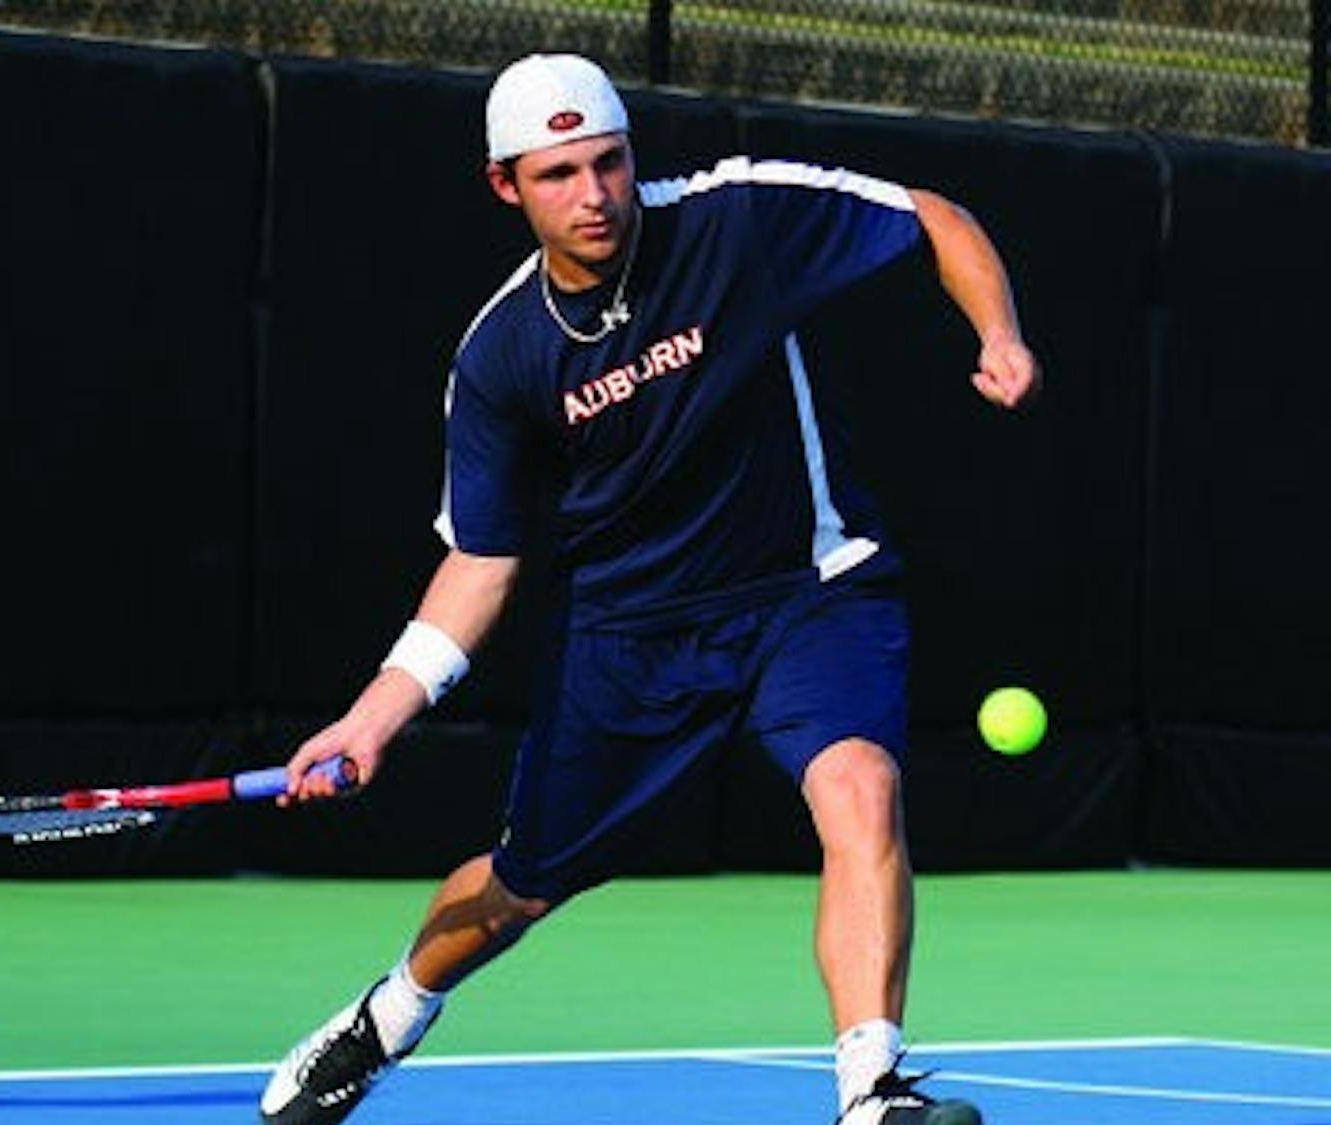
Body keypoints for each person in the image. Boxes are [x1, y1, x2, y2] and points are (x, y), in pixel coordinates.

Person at [259, 52, 1039, 1125]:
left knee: (861, 786)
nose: (594, 195)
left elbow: (934, 217)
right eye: (559, 175)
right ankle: (386, 1016)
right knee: (519, 888)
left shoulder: (734, 220)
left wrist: (998, 333)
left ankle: (870, 1089)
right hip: (630, 635)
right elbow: (483, 561)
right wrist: (375, 714)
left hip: (806, 588)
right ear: (505, 185)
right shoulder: (502, 355)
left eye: (610, 163)